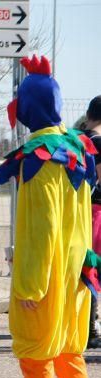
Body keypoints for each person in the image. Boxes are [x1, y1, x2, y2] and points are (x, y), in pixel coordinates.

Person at [0, 55, 98, 378]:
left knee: (36, 358)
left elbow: (42, 228)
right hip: (76, 274)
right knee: (71, 355)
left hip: (48, 276)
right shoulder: (78, 150)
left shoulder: (38, 158)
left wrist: (30, 285)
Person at [83, 96, 101, 350]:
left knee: (87, 270)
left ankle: (86, 327)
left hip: (82, 211)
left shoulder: (79, 139)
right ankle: (90, 330)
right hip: (97, 211)